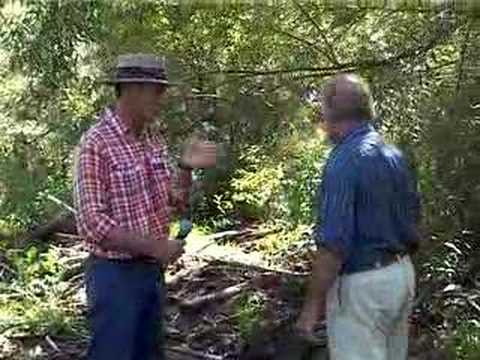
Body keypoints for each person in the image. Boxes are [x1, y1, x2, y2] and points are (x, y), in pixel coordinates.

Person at [74, 53, 217, 360]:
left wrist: (185, 167)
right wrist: (156, 247)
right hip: (114, 277)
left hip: (150, 275)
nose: (162, 98)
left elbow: (173, 202)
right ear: (132, 89)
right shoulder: (96, 144)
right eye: (158, 90)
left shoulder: (153, 139)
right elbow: (92, 223)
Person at [296, 73, 421, 359]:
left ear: (329, 112)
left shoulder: (344, 161)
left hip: (363, 285)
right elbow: (415, 216)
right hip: (401, 274)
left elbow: (333, 247)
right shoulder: (393, 154)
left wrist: (310, 310)